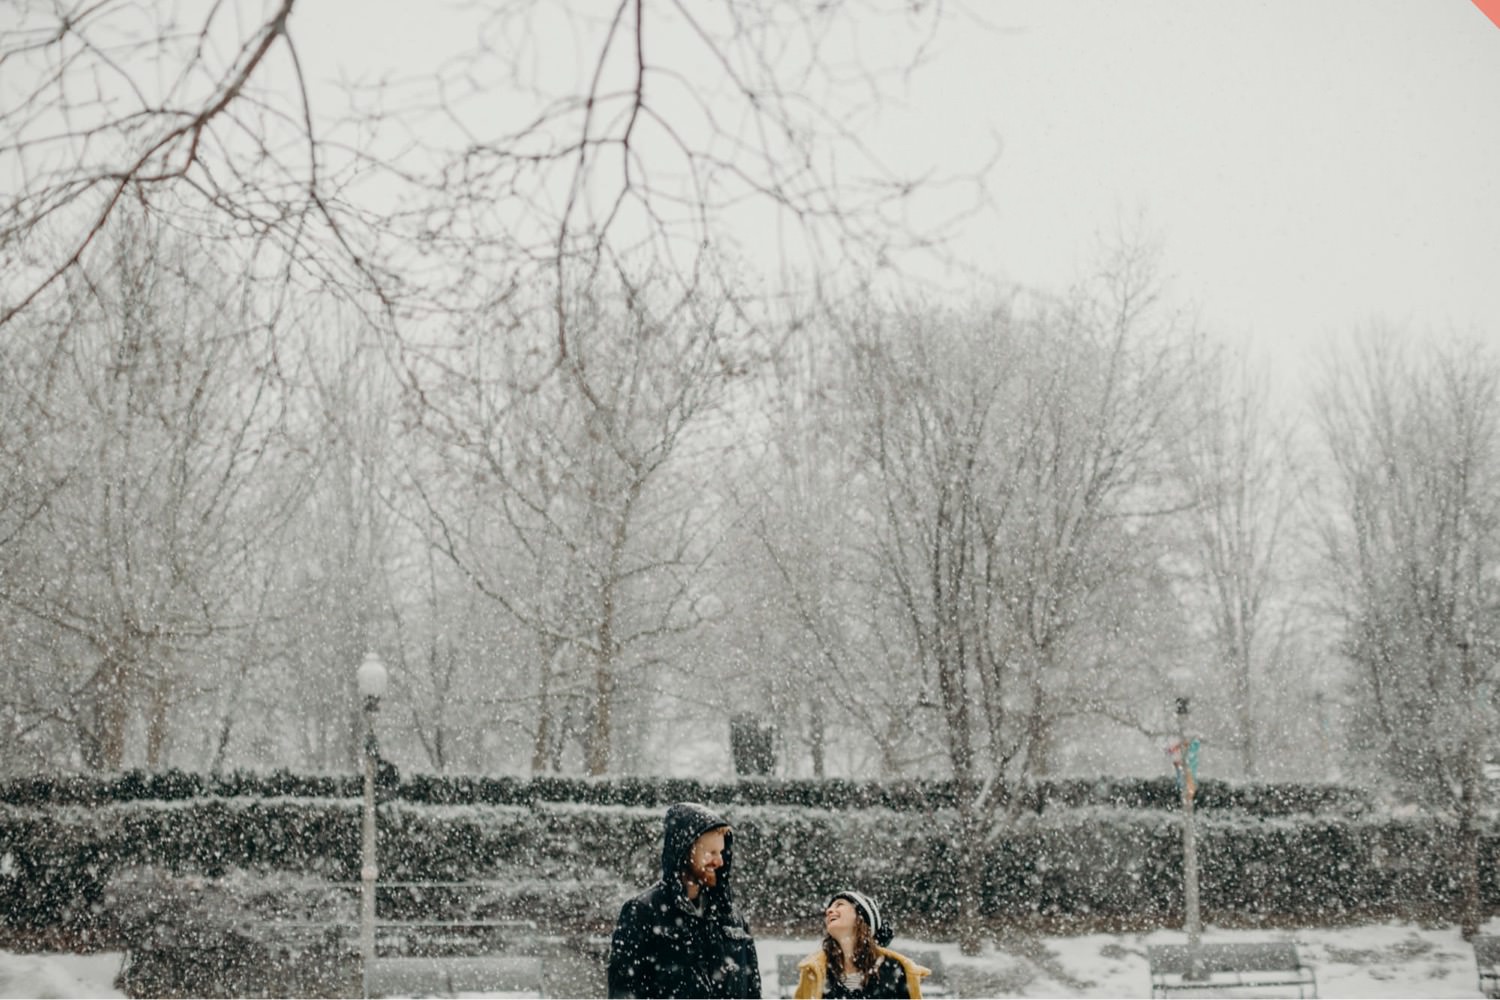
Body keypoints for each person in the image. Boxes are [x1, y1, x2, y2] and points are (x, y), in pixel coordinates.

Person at [608, 801, 761, 998]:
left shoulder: (731, 916)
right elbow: (624, 992)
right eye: (711, 852)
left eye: (721, 852)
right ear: (684, 850)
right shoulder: (643, 913)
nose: (719, 861)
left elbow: (753, 992)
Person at [792, 890, 928, 999]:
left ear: (861, 916)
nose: (828, 911)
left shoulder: (894, 969)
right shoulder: (815, 971)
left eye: (839, 904)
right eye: (829, 908)